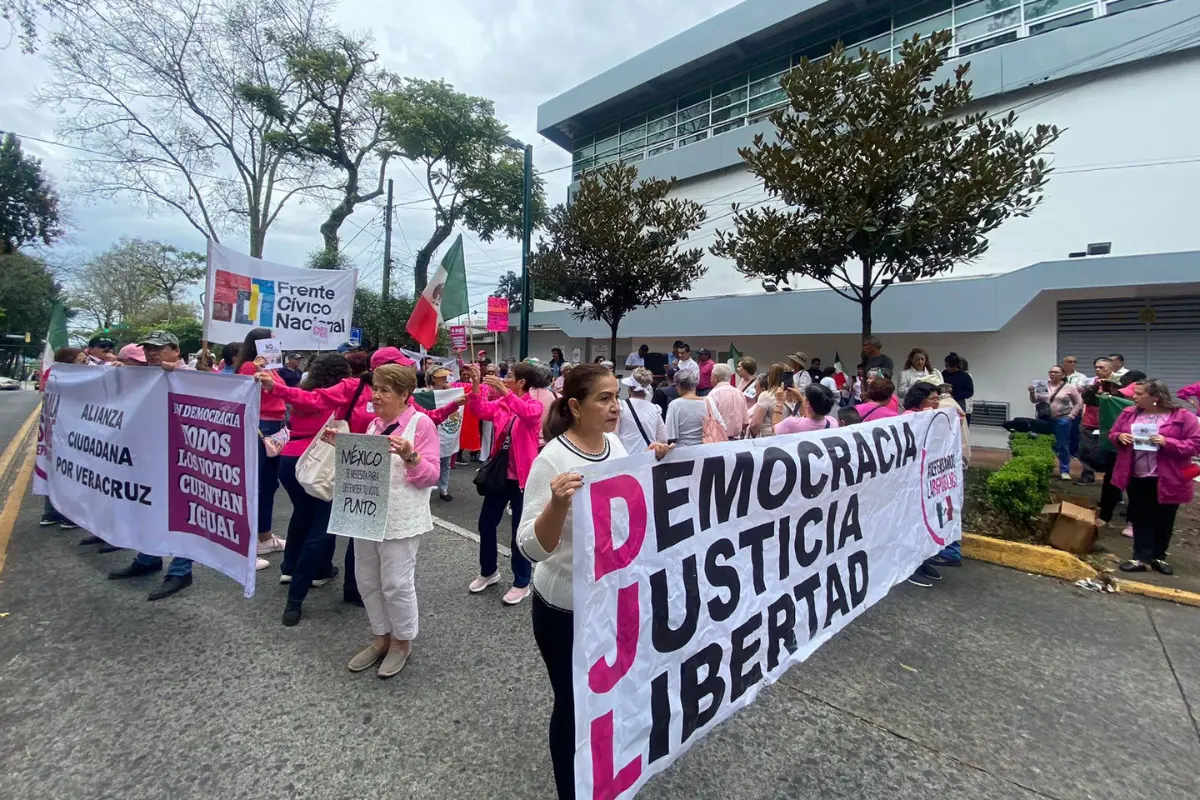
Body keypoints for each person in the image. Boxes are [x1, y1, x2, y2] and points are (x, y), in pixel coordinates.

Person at [518, 365, 672, 800]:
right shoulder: (552, 458)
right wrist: (555, 505)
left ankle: (603, 776)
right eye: (604, 398)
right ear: (574, 406)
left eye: (616, 396)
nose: (615, 406)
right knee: (572, 706)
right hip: (564, 608)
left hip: (612, 602)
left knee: (608, 701)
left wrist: (654, 464)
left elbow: (627, 511)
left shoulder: (618, 445)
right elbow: (530, 547)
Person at [333, 364, 441, 679]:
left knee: (396, 583)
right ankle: (380, 637)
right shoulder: (373, 427)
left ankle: (402, 641)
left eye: (384, 390)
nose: (375, 396)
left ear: (405, 395)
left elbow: (431, 476)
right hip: (367, 516)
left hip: (400, 519)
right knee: (367, 579)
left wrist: (411, 456)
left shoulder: (421, 426)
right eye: (375, 388)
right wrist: (339, 449)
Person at [254, 354, 361, 624]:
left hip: (289, 462)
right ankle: (297, 596)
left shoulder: (303, 390)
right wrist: (274, 385)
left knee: (302, 515)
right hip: (317, 463)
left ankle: (290, 568)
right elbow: (319, 403)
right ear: (344, 372)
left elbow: (301, 407)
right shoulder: (346, 388)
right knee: (321, 530)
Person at [107, 331, 210, 599]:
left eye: (159, 348)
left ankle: (180, 571)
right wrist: (119, 373)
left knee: (182, 513)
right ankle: (147, 558)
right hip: (149, 454)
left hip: (183, 456)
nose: (152, 353)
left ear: (176, 351)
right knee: (147, 507)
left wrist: (177, 372)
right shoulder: (144, 375)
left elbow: (208, 395)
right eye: (148, 349)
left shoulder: (192, 374)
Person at [467, 362, 544, 605]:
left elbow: (529, 415)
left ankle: (522, 581)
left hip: (522, 479)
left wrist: (504, 392)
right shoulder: (502, 404)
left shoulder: (533, 405)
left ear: (522, 382)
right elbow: (479, 410)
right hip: (499, 477)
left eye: (509, 376)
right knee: (486, 524)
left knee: (518, 533)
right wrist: (477, 384)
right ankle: (488, 572)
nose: (503, 378)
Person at [1109, 380, 1200, 575]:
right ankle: (1140, 557)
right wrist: (1119, 437)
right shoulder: (1129, 413)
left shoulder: (1182, 417)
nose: (1134, 396)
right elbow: (1113, 433)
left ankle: (1158, 556)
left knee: (1165, 518)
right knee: (1140, 517)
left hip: (1170, 476)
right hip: (1137, 474)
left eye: (1140, 394)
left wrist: (1168, 442)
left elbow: (1195, 444)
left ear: (1155, 397)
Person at [234, 327, 288, 565]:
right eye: (271, 340)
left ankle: (264, 537)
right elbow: (242, 393)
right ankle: (245, 545)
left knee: (268, 484)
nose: (275, 344)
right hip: (259, 427)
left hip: (275, 428)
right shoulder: (249, 366)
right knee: (254, 484)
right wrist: (255, 369)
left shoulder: (272, 368)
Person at [1027, 365, 1083, 480]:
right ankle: (1043, 467)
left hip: (1061, 418)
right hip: (1043, 418)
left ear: (1063, 375)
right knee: (1041, 443)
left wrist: (1071, 416)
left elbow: (1078, 403)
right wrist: (1032, 392)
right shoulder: (1042, 385)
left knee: (1062, 444)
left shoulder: (1070, 387)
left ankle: (1064, 470)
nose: (1052, 374)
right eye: (1051, 372)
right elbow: (1034, 401)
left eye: (1056, 372)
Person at [666, 370, 724, 447]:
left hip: (684, 452)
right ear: (695, 385)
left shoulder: (674, 405)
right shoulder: (708, 401)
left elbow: (670, 435)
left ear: (678, 386)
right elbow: (722, 426)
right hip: (707, 450)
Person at [617, 367, 667, 455]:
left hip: (625, 457)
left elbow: (614, 436)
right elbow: (663, 439)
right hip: (648, 457)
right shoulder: (655, 409)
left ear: (630, 388)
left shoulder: (621, 406)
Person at [749, 363, 796, 438]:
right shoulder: (795, 395)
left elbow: (755, 424)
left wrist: (753, 435)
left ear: (771, 377)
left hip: (769, 437)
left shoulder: (766, 395)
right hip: (790, 436)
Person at [706, 363, 748, 439]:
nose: (710, 378)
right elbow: (745, 422)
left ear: (715, 378)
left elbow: (708, 420)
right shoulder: (739, 393)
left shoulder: (713, 394)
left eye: (711, 375)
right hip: (736, 440)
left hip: (718, 439)